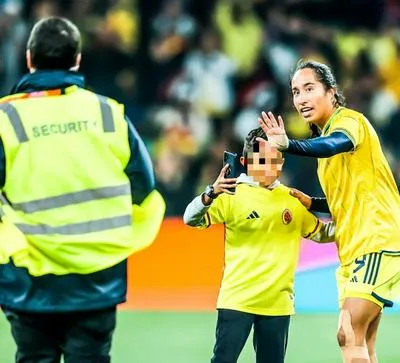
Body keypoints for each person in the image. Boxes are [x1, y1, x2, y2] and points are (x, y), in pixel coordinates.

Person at [0, 17, 165, 363]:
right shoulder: (108, 114)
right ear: (77, 60)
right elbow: (143, 187)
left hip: (28, 280)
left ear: (29, 58)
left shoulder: (6, 119)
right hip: (97, 278)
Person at [258, 59, 400, 363]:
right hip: (353, 249)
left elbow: (335, 144)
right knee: (363, 343)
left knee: (347, 333)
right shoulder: (325, 149)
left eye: (310, 88)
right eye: (296, 92)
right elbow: (345, 198)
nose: (302, 98)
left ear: (331, 93)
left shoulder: (349, 122)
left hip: (375, 240)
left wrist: (287, 145)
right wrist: (312, 202)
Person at [183, 127, 335, 363]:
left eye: (275, 160)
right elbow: (190, 219)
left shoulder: (292, 198)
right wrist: (210, 193)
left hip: (278, 303)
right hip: (237, 298)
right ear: (245, 161)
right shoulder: (231, 194)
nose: (270, 166)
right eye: (262, 160)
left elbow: (323, 233)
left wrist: (354, 221)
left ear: (282, 161)